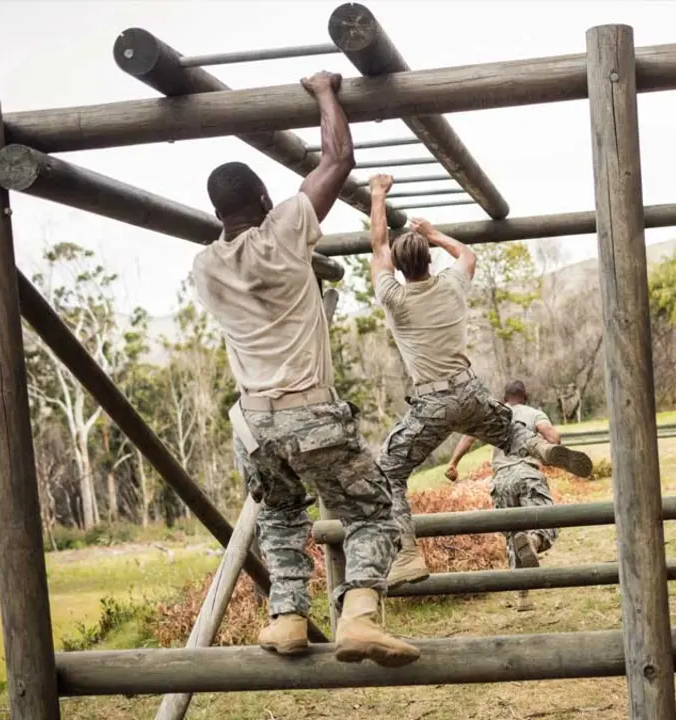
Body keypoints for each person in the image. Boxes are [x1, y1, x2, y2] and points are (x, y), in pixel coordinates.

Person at [191, 71, 417, 666]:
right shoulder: (285, 230)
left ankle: (288, 619)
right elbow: (337, 158)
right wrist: (323, 92)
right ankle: (361, 615)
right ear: (267, 202)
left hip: (253, 427)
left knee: (282, 516)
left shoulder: (205, 268)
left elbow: (236, 246)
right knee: (372, 510)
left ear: (218, 213)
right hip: (309, 413)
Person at [367, 190, 593, 589]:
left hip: (432, 401)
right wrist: (434, 233)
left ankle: (406, 555)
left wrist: (377, 194)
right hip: (468, 389)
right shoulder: (452, 285)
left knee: (388, 471)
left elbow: (378, 243)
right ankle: (541, 448)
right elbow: (468, 255)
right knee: (507, 430)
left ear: (400, 268)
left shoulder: (394, 297)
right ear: (430, 260)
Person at [445, 380, 560, 572]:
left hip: (501, 481)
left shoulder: (494, 416)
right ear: (525, 397)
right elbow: (554, 438)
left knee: (513, 537)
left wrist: (453, 463)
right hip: (527, 475)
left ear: (504, 398)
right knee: (546, 521)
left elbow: (469, 437)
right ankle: (533, 540)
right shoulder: (534, 414)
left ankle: (522, 596)